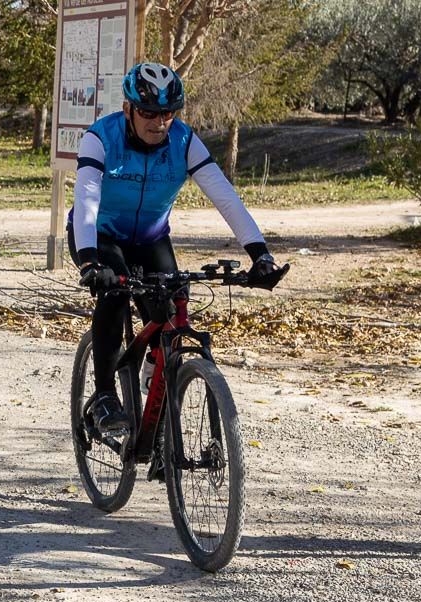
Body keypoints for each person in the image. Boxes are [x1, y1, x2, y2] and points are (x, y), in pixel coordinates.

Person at [70, 62, 289, 434]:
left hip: (150, 238)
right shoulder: (101, 137)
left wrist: (260, 254)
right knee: (115, 295)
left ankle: (155, 380)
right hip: (98, 235)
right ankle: (105, 394)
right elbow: (88, 198)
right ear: (128, 109)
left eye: (167, 113)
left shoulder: (184, 142)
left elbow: (226, 198)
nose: (158, 122)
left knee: (170, 309)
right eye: (148, 113)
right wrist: (90, 262)